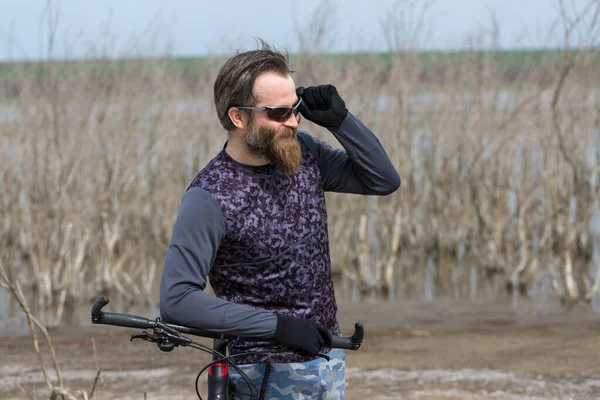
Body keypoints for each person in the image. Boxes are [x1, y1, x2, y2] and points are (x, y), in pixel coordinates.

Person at [159, 40, 400, 399]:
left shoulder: (305, 156)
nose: (294, 121)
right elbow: (177, 299)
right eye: (279, 113)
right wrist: (276, 327)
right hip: (262, 374)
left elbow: (383, 180)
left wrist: (341, 122)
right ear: (237, 117)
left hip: (327, 363)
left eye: (296, 108)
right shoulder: (209, 196)